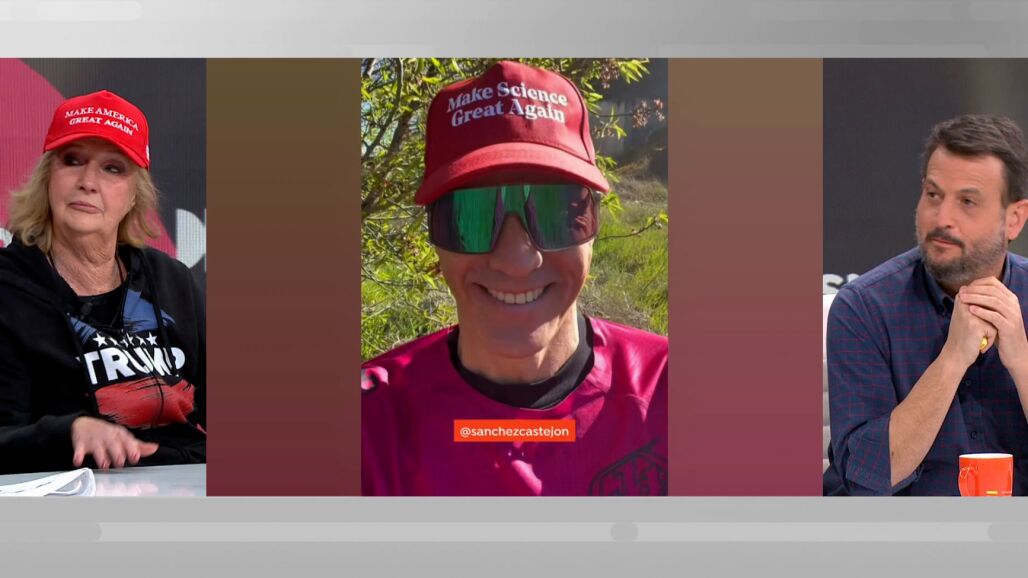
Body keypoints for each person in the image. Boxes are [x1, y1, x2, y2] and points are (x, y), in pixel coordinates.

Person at [361, 61, 668, 496]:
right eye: (471, 216)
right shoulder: (369, 425)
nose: (517, 259)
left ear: (594, 224)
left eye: (556, 212)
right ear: (434, 236)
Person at [0, 89, 206, 474]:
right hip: (77, 495)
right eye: (72, 160)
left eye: (113, 168)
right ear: (47, 178)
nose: (88, 181)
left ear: (134, 195)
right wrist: (69, 431)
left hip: (189, 483)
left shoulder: (171, 279)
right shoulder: (9, 290)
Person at [825, 114, 1028, 495]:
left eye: (967, 202)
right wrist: (951, 360)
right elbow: (865, 479)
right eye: (933, 195)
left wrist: (1022, 361)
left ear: (1014, 219)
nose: (942, 218)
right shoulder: (863, 309)